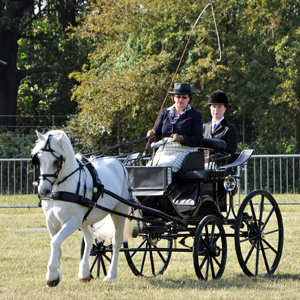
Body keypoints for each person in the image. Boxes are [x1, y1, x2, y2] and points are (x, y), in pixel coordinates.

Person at [147, 83, 203, 174]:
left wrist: (182, 139)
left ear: (189, 98)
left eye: (184, 97)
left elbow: (198, 140)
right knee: (148, 168)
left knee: (164, 168)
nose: (180, 99)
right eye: (178, 96)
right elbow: (156, 133)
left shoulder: (195, 115)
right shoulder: (165, 112)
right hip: (164, 150)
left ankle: (164, 188)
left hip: (184, 151)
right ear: (173, 97)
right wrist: (151, 134)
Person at [203, 90, 238, 163]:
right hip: (201, 166)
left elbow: (229, 153)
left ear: (225, 108)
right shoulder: (203, 127)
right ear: (210, 107)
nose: (216, 110)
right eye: (214, 106)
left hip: (220, 167)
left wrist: (210, 159)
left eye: (219, 107)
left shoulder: (230, 129)